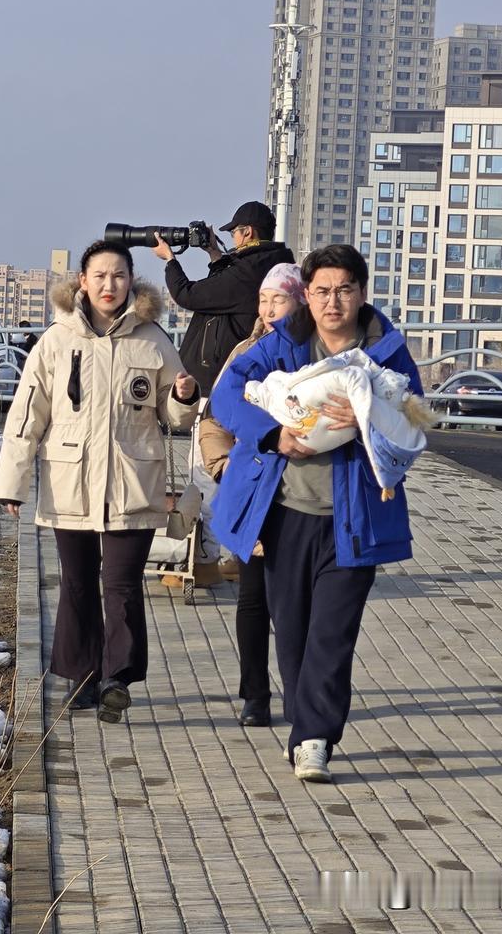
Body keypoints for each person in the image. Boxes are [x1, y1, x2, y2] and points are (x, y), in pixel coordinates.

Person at [209, 244, 422, 783]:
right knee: (292, 631)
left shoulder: (386, 350)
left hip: (355, 520)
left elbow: (416, 419)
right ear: (307, 295)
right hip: (285, 513)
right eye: (322, 290)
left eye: (344, 289)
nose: (333, 301)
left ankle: (313, 739)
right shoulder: (283, 342)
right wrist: (273, 434)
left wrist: (371, 413)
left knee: (333, 633)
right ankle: (305, 724)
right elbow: (227, 394)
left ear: (362, 293)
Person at [0, 240, 200, 724]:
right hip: (71, 480)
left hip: (132, 480)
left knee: (122, 583)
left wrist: (184, 396)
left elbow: (174, 415)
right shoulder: (56, 340)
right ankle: (81, 678)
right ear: (82, 282)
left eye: (119, 275)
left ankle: (116, 680)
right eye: (100, 276)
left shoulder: (152, 339)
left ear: (132, 281)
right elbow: (26, 417)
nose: (110, 285)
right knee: (78, 583)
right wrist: (11, 484)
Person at [196, 263, 306, 729]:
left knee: (296, 602)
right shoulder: (247, 352)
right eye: (263, 299)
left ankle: (301, 694)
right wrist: (223, 467)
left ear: (300, 301)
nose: (268, 308)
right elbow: (213, 419)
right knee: (253, 597)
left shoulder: (316, 353)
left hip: (303, 493)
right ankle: (255, 695)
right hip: (254, 488)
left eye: (279, 299)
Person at [150, 200, 295, 398]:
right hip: (237, 376)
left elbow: (187, 295)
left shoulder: (248, 271)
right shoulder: (269, 264)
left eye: (233, 232)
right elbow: (225, 291)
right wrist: (214, 253)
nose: (233, 238)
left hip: (218, 383)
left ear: (247, 232)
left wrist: (169, 259)